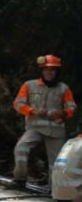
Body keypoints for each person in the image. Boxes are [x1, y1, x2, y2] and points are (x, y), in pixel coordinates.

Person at [12, 54, 77, 187]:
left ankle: (54, 189)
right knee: (21, 148)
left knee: (57, 163)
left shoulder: (63, 88)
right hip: (35, 128)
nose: (50, 72)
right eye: (47, 69)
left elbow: (72, 107)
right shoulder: (29, 85)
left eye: (53, 69)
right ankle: (20, 179)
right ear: (41, 70)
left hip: (55, 131)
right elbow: (18, 104)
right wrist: (32, 111)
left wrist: (62, 113)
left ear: (57, 72)